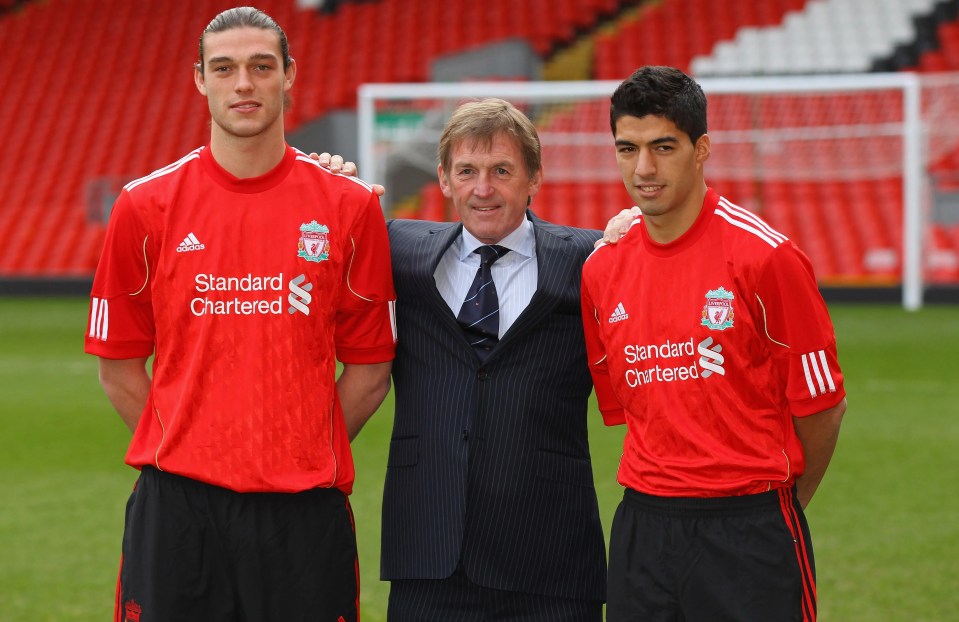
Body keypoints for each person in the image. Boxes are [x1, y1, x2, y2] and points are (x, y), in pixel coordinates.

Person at [84, 7, 395, 621]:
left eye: (261, 66)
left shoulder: (348, 206)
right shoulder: (145, 207)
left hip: (304, 514)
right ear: (200, 79)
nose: (244, 84)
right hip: (179, 514)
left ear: (289, 75)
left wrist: (301, 446)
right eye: (224, 69)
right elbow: (119, 367)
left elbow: (370, 370)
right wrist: (192, 448)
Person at [581, 65, 847, 622]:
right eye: (627, 149)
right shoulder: (602, 269)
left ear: (702, 149)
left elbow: (822, 406)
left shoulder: (765, 258)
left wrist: (782, 509)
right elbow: (632, 408)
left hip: (749, 529)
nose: (644, 168)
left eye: (663, 147)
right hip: (642, 527)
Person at [378, 98, 607, 620]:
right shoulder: (399, 250)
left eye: (502, 170)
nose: (483, 189)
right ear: (443, 179)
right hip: (428, 556)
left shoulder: (590, 259)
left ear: (534, 178)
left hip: (551, 558)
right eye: (468, 171)